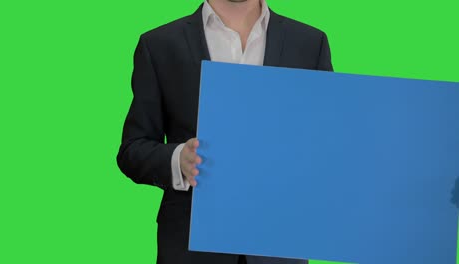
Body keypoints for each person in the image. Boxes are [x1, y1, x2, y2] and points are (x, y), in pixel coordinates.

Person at [116, 0, 333, 263]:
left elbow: (327, 145)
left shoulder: (310, 43)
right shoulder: (159, 44)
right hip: (190, 249)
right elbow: (132, 149)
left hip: (278, 245)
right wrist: (178, 160)